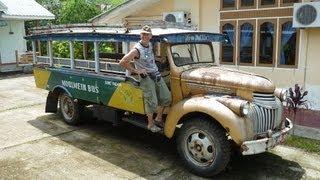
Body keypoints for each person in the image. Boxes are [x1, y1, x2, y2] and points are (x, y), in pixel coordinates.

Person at [119, 25, 172, 132]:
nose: (145, 36)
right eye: (143, 34)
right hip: (146, 77)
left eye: (147, 34)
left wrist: (157, 58)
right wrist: (136, 71)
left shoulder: (150, 45)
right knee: (151, 101)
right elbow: (123, 62)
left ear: (151, 36)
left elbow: (149, 57)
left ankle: (158, 118)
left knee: (166, 97)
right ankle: (150, 124)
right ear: (140, 35)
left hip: (156, 73)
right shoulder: (136, 49)